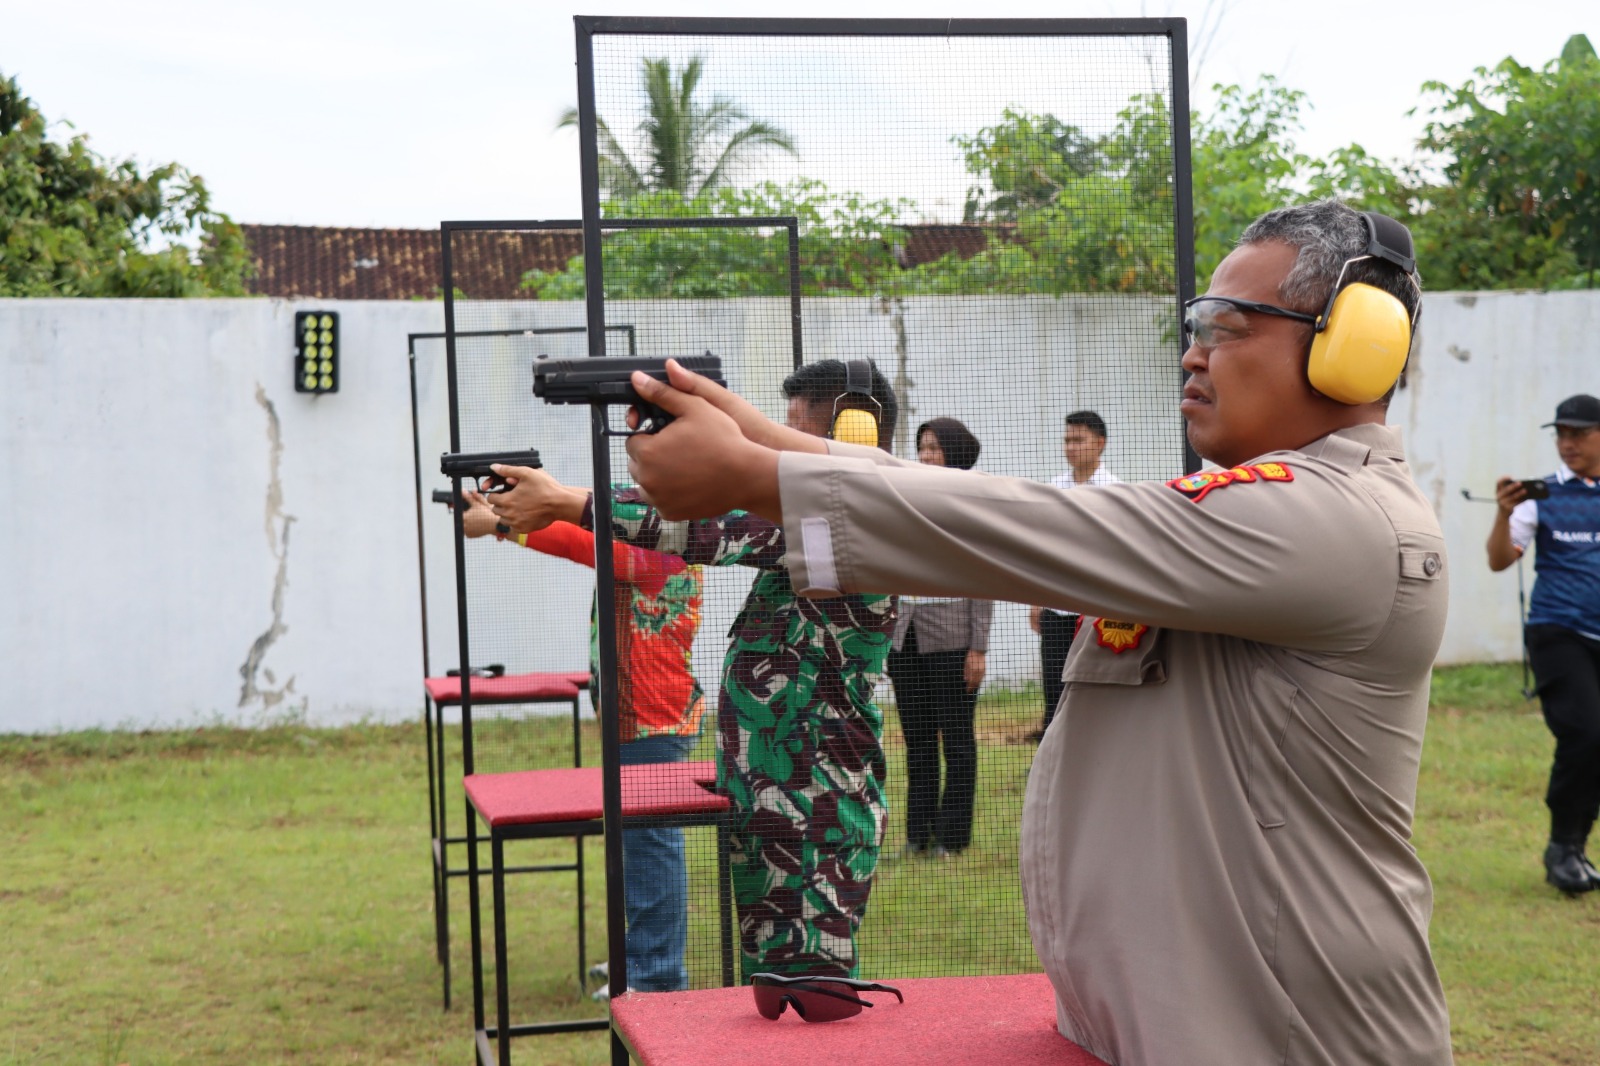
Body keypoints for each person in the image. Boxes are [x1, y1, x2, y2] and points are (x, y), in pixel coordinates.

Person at [611, 200, 1453, 1064]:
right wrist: (756, 437)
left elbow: (1021, 525)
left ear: (1357, 345)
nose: (1195, 352)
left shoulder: (1337, 520)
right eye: (1197, 325)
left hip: (1295, 1038)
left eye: (1231, 327)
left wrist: (760, 474)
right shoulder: (1267, 512)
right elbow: (982, 503)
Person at [488, 359, 899, 982]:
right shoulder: (819, 520)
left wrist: (565, 502)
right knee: (781, 996)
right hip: (778, 801)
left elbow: (706, 525)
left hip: (817, 811)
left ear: (854, 436)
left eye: (793, 436)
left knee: (815, 1002)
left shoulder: (851, 520)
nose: (773, 453)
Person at [456, 492, 706, 995]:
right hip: (637, 718)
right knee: (636, 847)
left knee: (651, 847)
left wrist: (504, 523)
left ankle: (657, 975)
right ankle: (638, 958)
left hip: (653, 722)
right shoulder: (655, 538)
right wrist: (508, 506)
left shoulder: (667, 552)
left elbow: (581, 541)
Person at [1485, 392, 1600, 895]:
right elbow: (1499, 559)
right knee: (1585, 733)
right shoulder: (1540, 496)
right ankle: (1563, 849)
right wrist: (1502, 514)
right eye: (1561, 434)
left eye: (1577, 433)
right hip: (1558, 632)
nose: (1566, 443)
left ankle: (1575, 847)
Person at [887, 418, 993, 859]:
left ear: (955, 452)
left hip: (952, 640)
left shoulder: (973, 502)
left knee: (957, 739)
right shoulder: (910, 498)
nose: (926, 456)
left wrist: (978, 648)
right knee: (917, 741)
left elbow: (984, 579)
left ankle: (953, 838)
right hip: (905, 639)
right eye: (922, 447)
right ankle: (917, 836)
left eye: (934, 448)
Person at [1028, 410, 1119, 740]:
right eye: (1067, 440)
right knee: (1055, 691)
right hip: (1056, 608)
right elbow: (1043, 548)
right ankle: (1053, 765)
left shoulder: (1115, 490)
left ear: (1100, 443)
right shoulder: (1054, 488)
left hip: (1096, 611)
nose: (1070, 447)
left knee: (1096, 689)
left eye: (1078, 440)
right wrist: (1037, 601)